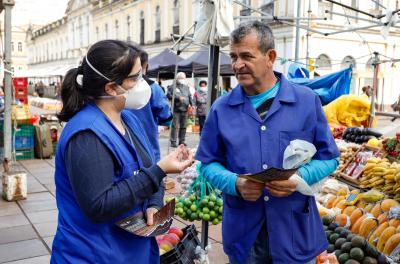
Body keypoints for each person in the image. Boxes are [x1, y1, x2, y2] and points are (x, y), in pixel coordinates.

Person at [195, 21, 340, 264]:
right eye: (233, 56)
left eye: (246, 56)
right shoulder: (221, 109)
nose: (237, 65)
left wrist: (299, 178)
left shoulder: (305, 101)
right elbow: (207, 164)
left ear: (270, 56)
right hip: (245, 233)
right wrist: (235, 183)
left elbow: (329, 158)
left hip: (293, 229)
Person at [51, 40, 194, 263]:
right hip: (94, 254)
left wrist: (155, 205)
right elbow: (99, 205)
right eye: (136, 77)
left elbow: (147, 171)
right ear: (110, 88)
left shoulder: (128, 119)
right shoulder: (86, 134)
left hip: (132, 250)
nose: (143, 83)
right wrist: (159, 171)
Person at [129, 49, 172, 161]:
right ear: (147, 66)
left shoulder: (118, 87)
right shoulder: (153, 87)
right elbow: (165, 116)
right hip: (148, 140)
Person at [167, 72, 193, 147]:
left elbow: (189, 96)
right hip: (176, 109)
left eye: (183, 78)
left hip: (185, 109)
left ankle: (182, 141)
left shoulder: (186, 87)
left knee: (184, 126)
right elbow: (168, 95)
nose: (182, 79)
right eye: (181, 78)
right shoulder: (172, 86)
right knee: (174, 126)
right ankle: (173, 141)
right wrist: (178, 98)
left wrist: (192, 104)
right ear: (177, 78)